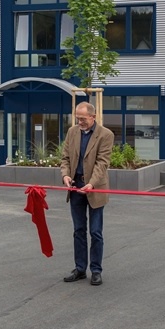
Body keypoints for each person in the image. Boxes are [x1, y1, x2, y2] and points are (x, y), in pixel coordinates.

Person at [60, 102, 114, 286]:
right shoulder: (72, 132)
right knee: (78, 230)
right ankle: (80, 269)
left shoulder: (106, 135)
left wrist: (91, 184)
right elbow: (65, 158)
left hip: (95, 188)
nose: (79, 121)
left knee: (95, 232)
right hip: (75, 188)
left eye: (82, 118)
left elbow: (102, 163)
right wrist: (66, 175)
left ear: (93, 116)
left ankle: (96, 270)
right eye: (77, 118)